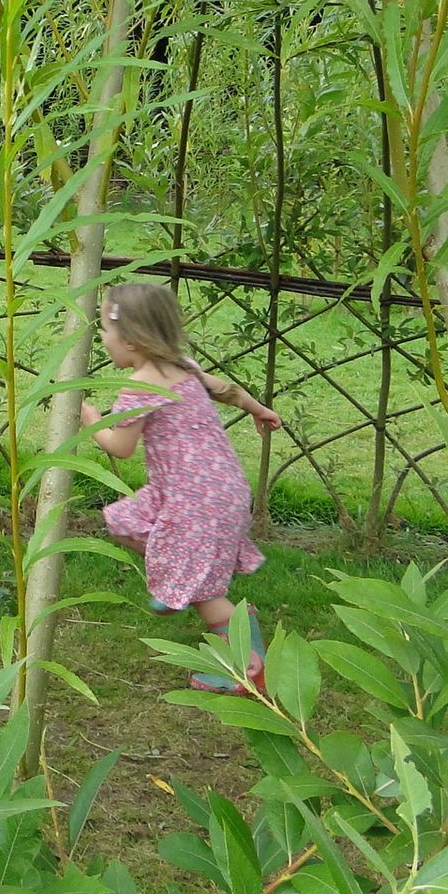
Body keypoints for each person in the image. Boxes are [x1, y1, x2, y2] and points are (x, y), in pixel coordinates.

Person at [78, 281, 283, 694]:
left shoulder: (140, 387)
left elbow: (121, 445)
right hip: (208, 488)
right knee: (124, 519)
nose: (102, 338)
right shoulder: (183, 365)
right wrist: (259, 409)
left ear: (132, 340)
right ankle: (178, 579)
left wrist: (90, 422)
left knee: (209, 595)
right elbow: (227, 389)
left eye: (105, 330)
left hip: (195, 500)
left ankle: (248, 669)